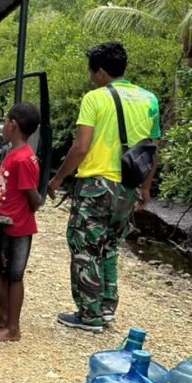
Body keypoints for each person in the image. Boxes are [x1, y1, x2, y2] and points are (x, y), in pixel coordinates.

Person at [46, 42, 161, 332]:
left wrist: (58, 178)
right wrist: (146, 188)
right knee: (109, 247)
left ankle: (89, 316)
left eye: (91, 72)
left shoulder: (95, 98)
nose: (90, 78)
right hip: (128, 186)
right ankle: (107, 309)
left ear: (99, 71)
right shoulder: (149, 100)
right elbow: (152, 149)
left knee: (84, 246)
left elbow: (81, 147)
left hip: (97, 185)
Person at [0, 103, 42, 342]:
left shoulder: (24, 159)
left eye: (5, 122)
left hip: (19, 226)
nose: (3, 126)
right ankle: (5, 316)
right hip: (3, 222)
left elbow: (32, 196)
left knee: (15, 275)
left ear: (13, 125)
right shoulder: (12, 153)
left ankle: (13, 328)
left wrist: (32, 207)